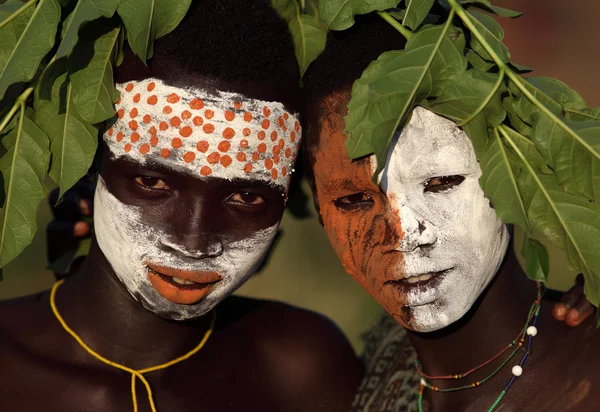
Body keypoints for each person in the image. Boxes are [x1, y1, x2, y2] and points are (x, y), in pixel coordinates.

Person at [0, 2, 362, 411]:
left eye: (247, 197)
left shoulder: (302, 369)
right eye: (152, 182)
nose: (193, 241)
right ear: (89, 165)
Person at [302, 14, 600, 412]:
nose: (404, 234)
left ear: (507, 171)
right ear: (320, 209)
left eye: (441, 183)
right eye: (354, 200)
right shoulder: (362, 372)